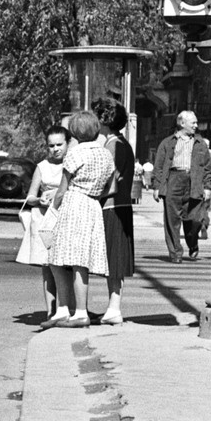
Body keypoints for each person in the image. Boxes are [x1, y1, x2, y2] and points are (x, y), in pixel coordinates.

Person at [45, 110, 115, 329]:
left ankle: (69, 309)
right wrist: (94, 195)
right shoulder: (105, 155)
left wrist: (53, 209)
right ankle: (76, 310)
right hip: (93, 205)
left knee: (57, 257)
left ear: (74, 132)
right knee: (81, 261)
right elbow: (111, 187)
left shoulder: (74, 154)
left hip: (74, 204)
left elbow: (62, 190)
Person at [16, 125, 68, 318]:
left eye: (59, 144)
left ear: (67, 143)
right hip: (45, 219)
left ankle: (69, 308)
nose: (55, 149)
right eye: (51, 145)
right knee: (47, 268)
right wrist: (39, 200)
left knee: (67, 265)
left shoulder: (71, 163)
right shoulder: (42, 166)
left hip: (65, 217)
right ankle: (50, 311)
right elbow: (29, 197)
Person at [151, 110, 211, 263]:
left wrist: (208, 187)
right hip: (173, 181)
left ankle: (192, 242)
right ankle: (175, 253)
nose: (196, 125)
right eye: (193, 122)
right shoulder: (167, 143)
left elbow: (208, 168)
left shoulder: (200, 143)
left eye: (196, 122)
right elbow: (159, 167)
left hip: (194, 182)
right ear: (182, 123)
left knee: (195, 219)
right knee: (172, 220)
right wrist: (156, 187)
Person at [94, 96, 136, 326]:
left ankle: (114, 307)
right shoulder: (120, 143)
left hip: (113, 206)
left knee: (114, 259)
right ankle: (113, 306)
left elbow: (108, 179)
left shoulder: (113, 145)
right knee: (114, 259)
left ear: (104, 119)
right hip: (119, 205)